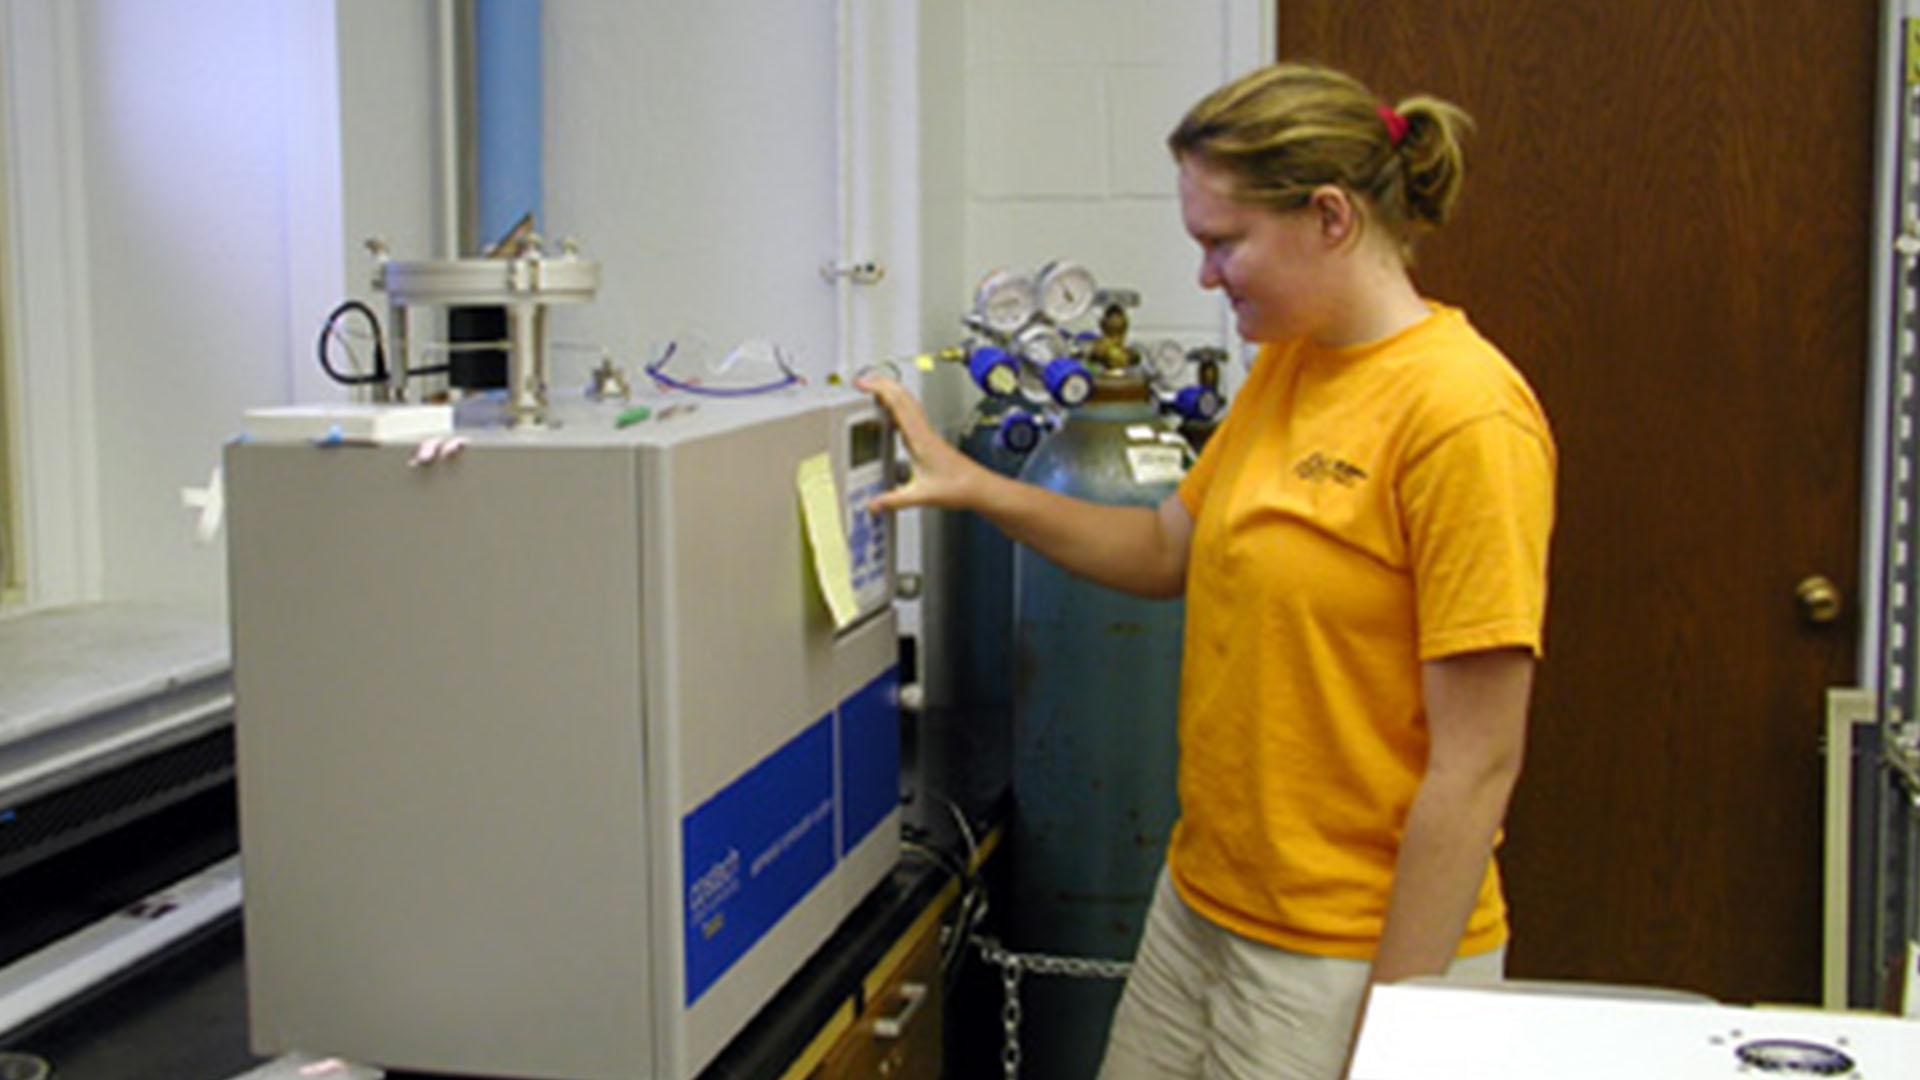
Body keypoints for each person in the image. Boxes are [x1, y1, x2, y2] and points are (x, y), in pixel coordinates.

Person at [862, 61, 1555, 1079]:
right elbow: (1163, 550)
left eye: (1222, 242)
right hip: (1201, 907)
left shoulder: (1463, 416)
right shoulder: (1291, 366)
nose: (1205, 276)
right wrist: (974, 486)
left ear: (1329, 217)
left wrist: (1398, 1034)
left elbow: (1478, 765)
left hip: (1345, 953)